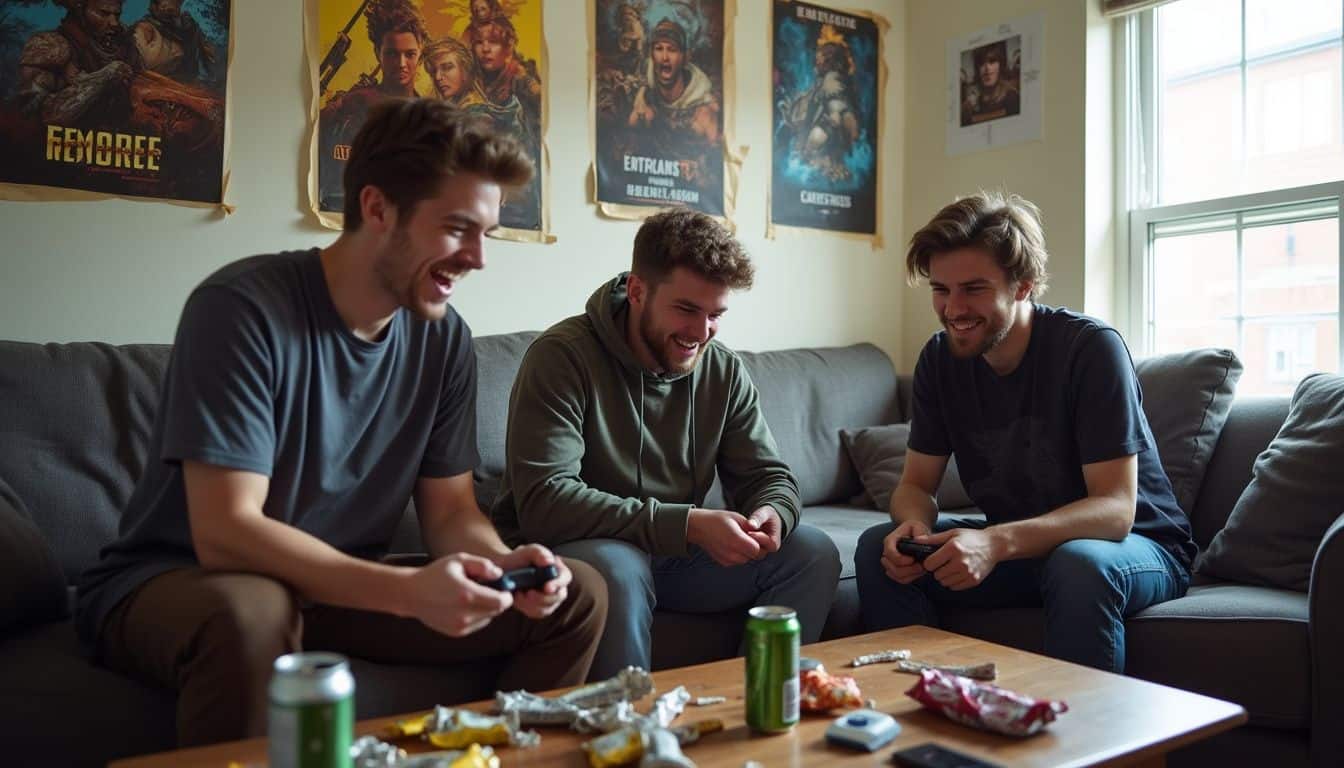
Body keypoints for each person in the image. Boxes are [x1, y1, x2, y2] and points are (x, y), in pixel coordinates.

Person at [75, 99, 607, 747]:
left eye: (486, 234)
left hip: (337, 585)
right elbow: (227, 532)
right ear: (378, 208)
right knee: (253, 612)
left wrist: (503, 571)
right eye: (458, 228)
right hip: (181, 580)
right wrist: (406, 593)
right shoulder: (242, 310)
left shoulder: (443, 341)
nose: (478, 258)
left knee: (579, 592)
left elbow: (449, 514)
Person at [853, 192, 1196, 673]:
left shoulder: (1090, 350)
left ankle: (1087, 743)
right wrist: (914, 525)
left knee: (1077, 563)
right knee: (878, 548)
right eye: (941, 290)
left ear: (1023, 286)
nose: (953, 309)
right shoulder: (939, 359)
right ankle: (930, 711)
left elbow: (1116, 510)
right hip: (1028, 548)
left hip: (1139, 548)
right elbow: (914, 485)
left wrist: (995, 543)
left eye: (972, 289)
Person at [491, 209, 841, 679]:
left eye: (716, 315)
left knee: (811, 553)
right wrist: (689, 525)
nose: (701, 334)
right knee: (619, 570)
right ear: (637, 291)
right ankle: (630, 731)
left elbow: (769, 476)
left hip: (672, 556)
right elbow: (546, 502)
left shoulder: (722, 369)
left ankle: (755, 707)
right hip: (583, 549)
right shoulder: (561, 358)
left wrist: (773, 512)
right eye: (686, 310)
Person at [318, 0, 427, 211]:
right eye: (392, 54)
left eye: (410, 54)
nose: (402, 64)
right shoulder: (353, 103)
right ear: (378, 53)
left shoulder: (429, 116)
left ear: (420, 53)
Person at [14, 0, 141, 125]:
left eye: (117, 15)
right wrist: (103, 77)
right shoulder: (50, 45)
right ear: (80, 9)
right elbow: (32, 113)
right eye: (103, 13)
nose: (114, 23)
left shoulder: (126, 48)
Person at [131, 0, 216, 85]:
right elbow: (144, 68)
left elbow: (209, 59)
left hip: (188, 86)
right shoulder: (144, 29)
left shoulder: (190, 26)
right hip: (159, 86)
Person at [960, 41, 1019, 125]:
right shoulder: (970, 105)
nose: (987, 68)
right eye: (981, 63)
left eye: (992, 61)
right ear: (977, 69)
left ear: (1000, 65)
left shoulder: (1012, 97)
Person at [422, 35, 487, 109]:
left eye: (447, 68)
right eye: (433, 71)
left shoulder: (476, 113)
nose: (437, 77)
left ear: (465, 70)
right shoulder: (455, 107)